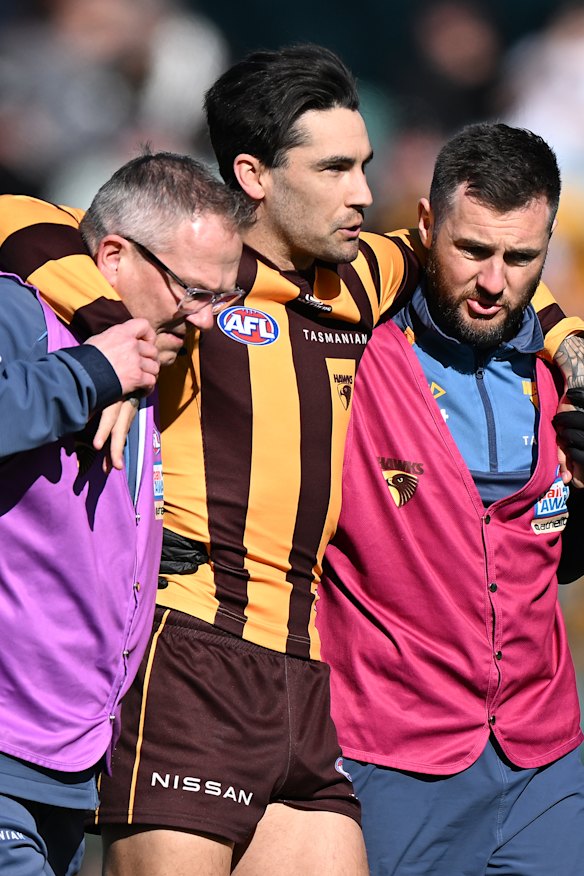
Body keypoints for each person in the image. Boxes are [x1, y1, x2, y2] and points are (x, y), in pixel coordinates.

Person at [0, 47, 583, 876]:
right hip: (190, 649)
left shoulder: (363, 276)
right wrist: (104, 321)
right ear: (255, 174)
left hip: (305, 676)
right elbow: (19, 214)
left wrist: (565, 340)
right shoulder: (194, 281)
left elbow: (488, 257)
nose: (359, 192)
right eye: (336, 167)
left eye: (366, 166)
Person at [317, 122, 584, 876]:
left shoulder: (563, 374)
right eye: (472, 251)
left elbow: (560, 558)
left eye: (521, 257)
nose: (494, 281)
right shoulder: (353, 349)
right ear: (427, 227)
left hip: (545, 758)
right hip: (392, 754)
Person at [0, 150, 246, 876]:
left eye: (221, 300)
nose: (205, 320)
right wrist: (88, 375)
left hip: (70, 764)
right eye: (194, 292)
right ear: (111, 255)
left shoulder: (146, 359)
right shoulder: (22, 314)